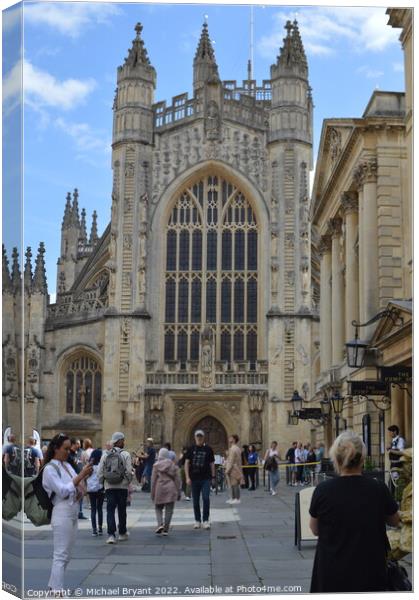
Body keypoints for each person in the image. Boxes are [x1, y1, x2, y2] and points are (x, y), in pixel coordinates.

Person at [309, 430, 400, 593]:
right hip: (370, 569)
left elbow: (315, 529)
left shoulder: (323, 490)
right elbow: (394, 520)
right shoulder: (378, 488)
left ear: (336, 459)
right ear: (362, 459)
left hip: (332, 569)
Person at [42, 433, 93, 594]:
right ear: (56, 449)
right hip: (61, 511)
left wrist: (82, 486)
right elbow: (63, 491)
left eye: (69, 448)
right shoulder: (49, 468)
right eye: (65, 448)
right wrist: (81, 476)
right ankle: (57, 592)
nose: (68, 452)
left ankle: (52, 587)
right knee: (61, 554)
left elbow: (75, 487)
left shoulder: (68, 465)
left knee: (67, 555)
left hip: (72, 510)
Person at [98, 431, 133, 544]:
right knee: (122, 510)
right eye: (123, 440)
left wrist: (103, 483)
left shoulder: (105, 455)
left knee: (110, 510)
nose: (124, 442)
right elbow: (128, 471)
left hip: (109, 486)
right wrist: (128, 482)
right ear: (120, 441)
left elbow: (100, 471)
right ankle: (122, 533)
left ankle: (111, 535)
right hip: (122, 487)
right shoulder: (126, 454)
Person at [184, 429, 215, 529]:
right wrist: (187, 477)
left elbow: (212, 464)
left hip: (206, 478)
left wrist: (213, 477)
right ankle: (197, 520)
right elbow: (186, 463)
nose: (199, 438)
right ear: (195, 437)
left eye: (201, 436)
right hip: (194, 478)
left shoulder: (208, 449)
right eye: (198, 436)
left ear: (203, 437)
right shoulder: (191, 449)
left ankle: (205, 520)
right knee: (195, 500)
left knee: (206, 498)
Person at [151, 447, 181, 536]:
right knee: (169, 509)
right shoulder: (173, 465)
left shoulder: (156, 465)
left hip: (159, 487)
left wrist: (152, 493)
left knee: (158, 507)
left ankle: (160, 524)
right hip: (171, 488)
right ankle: (166, 529)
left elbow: (153, 480)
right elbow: (177, 480)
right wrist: (179, 491)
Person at [86, 448, 105, 536]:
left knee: (93, 509)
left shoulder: (90, 466)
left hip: (91, 489)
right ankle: (100, 528)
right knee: (100, 508)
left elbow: (85, 476)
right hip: (100, 489)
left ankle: (94, 530)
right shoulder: (102, 466)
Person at [68, 438, 87, 520]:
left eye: (79, 444)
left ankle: (80, 512)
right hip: (72, 478)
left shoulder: (80, 452)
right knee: (73, 496)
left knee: (81, 495)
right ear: (73, 444)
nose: (79, 445)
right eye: (77, 443)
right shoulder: (68, 454)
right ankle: (72, 513)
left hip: (81, 477)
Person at [387, 425, 406, 496]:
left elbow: (401, 452)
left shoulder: (400, 440)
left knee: (396, 482)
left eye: (390, 432)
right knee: (392, 482)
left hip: (397, 464)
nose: (389, 434)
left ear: (395, 431)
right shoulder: (393, 441)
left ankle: (397, 499)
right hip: (392, 464)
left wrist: (390, 450)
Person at [225, 435, 243, 504]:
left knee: (234, 484)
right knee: (234, 484)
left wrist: (228, 469)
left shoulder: (233, 449)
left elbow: (231, 461)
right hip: (237, 467)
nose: (229, 439)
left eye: (231, 438)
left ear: (234, 440)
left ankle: (236, 498)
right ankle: (233, 498)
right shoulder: (237, 448)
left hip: (233, 468)